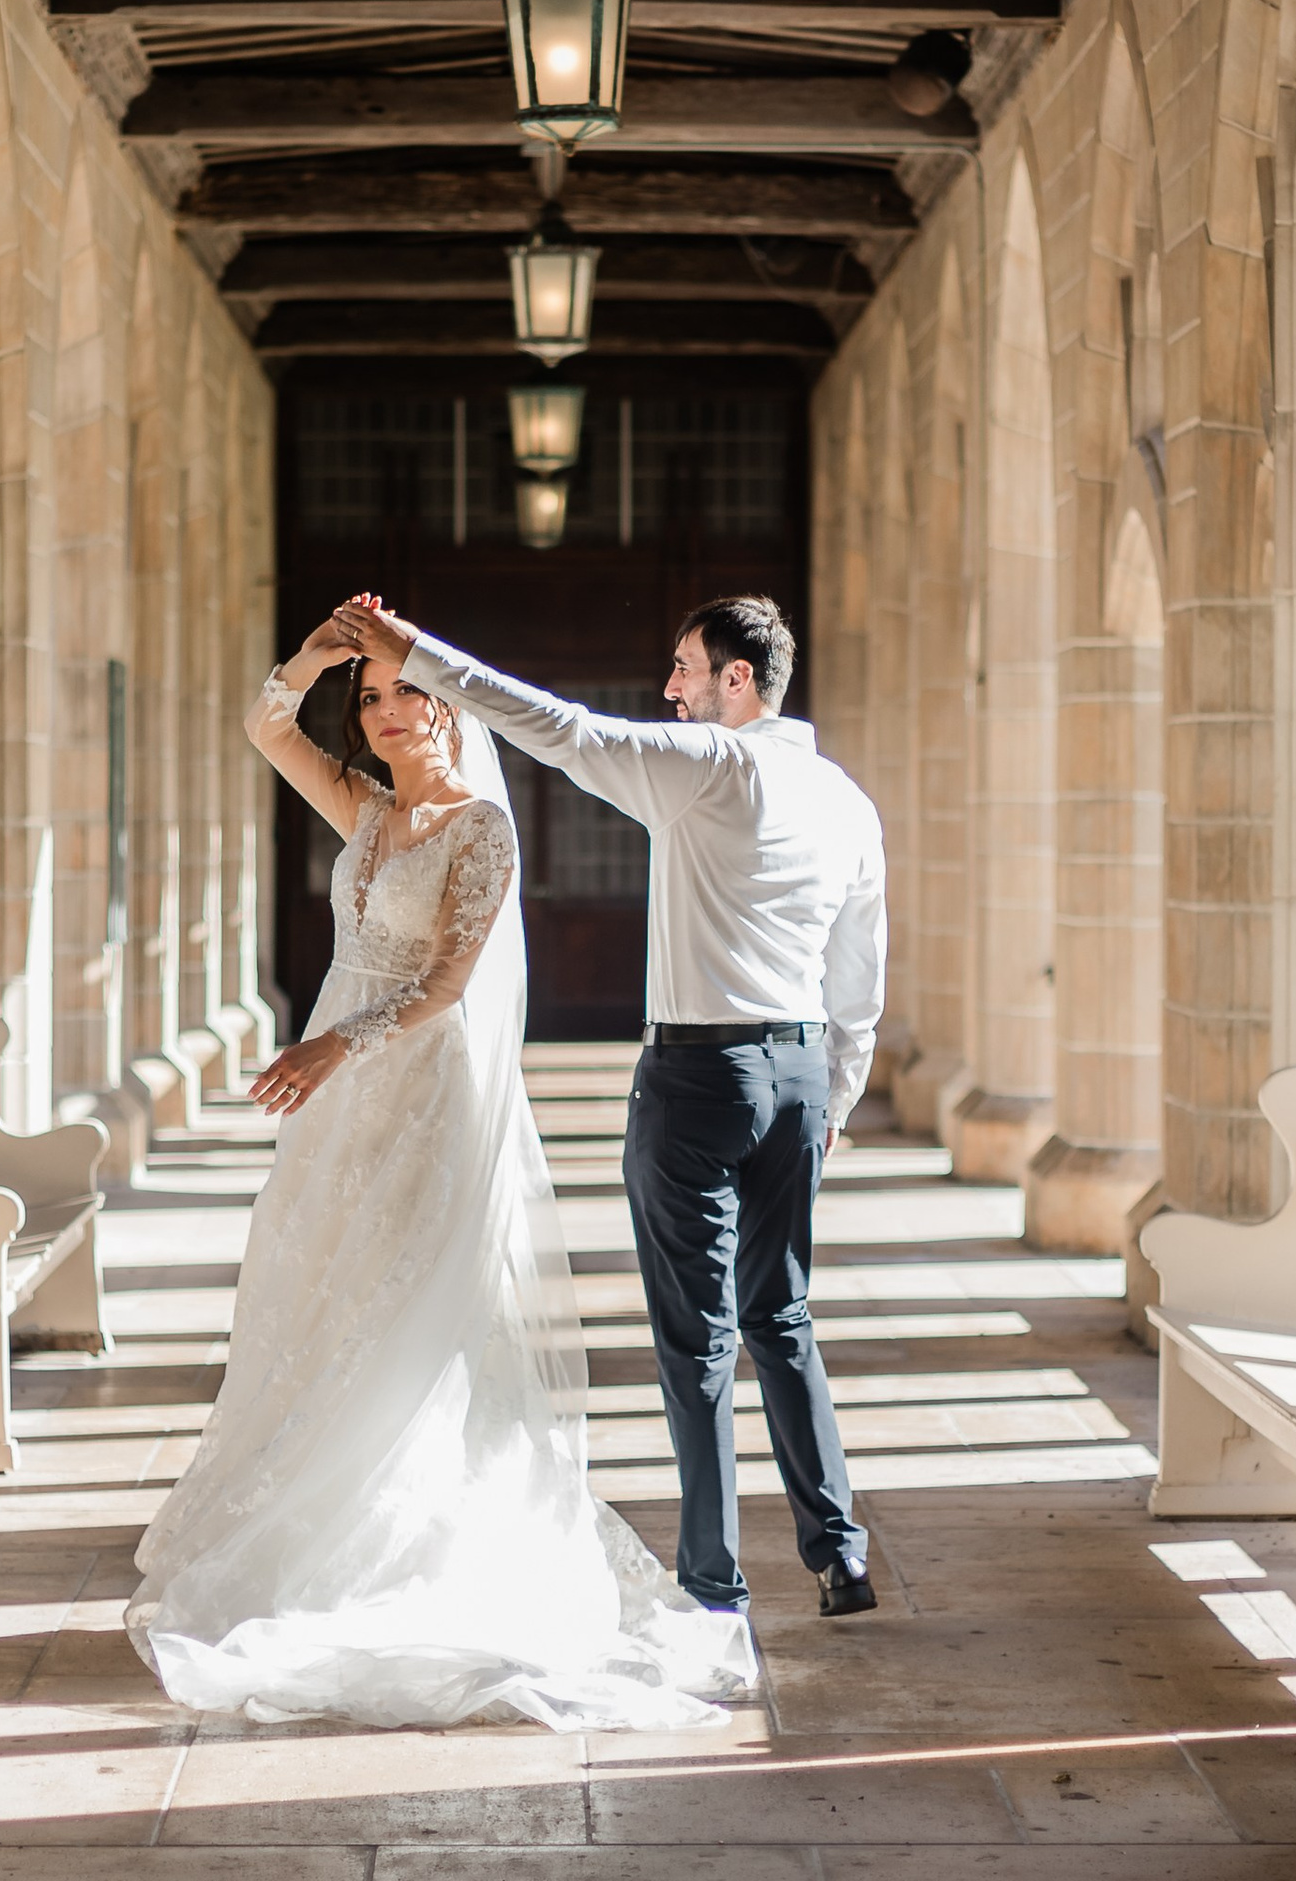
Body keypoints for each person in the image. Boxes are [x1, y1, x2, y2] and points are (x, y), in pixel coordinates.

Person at [124, 620, 753, 1730]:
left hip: (418, 1089)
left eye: (397, 694)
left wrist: (332, 1046)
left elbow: (450, 986)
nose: (379, 712)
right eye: (367, 700)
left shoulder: (479, 835)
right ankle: (311, 1510)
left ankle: (400, 1538)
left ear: (446, 708)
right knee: (323, 1293)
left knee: (409, 1307)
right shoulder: (365, 811)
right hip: (340, 1102)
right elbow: (265, 725)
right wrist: (317, 654)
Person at [334, 592, 887, 1627]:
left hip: (696, 1080)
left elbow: (557, 727)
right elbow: (859, 981)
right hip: (802, 1075)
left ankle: (714, 1583)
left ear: (737, 680)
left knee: (698, 1339)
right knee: (785, 1315)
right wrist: (830, 1108)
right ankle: (840, 1557)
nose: (668, 688)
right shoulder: (846, 800)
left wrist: (416, 652)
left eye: (684, 668)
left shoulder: (710, 768)